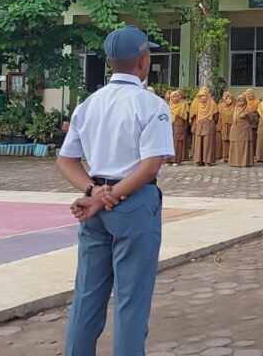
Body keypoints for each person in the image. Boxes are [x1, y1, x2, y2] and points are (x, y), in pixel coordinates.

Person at [56, 25, 172, 356]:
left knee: (87, 297)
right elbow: (151, 165)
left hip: (95, 207)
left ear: (109, 62)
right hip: (134, 203)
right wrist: (113, 195)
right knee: (131, 301)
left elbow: (65, 161)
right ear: (143, 61)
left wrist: (94, 193)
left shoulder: (88, 104)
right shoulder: (151, 105)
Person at [229, 92, 257, 168]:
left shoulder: (248, 109)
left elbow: (251, 120)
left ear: (245, 101)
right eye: (239, 100)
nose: (240, 102)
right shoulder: (234, 109)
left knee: (244, 145)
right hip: (235, 129)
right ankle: (235, 162)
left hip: (245, 130)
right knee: (235, 145)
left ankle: (245, 162)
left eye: (242, 100)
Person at [190, 87, 217, 166]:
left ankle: (207, 160)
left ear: (207, 96)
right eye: (200, 96)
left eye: (203, 96)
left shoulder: (212, 104)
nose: (201, 98)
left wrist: (210, 122)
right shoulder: (198, 105)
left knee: (208, 143)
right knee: (198, 143)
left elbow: (216, 116)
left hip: (208, 124)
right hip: (199, 124)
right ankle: (198, 160)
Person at [167, 90, 189, 166]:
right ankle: (169, 160)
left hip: (179, 124)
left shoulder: (182, 105)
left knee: (177, 142)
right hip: (170, 125)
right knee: (169, 141)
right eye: (173, 96)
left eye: (176, 96)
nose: (175, 98)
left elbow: (185, 116)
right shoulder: (168, 106)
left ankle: (176, 160)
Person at [217, 92, 235, 164]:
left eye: (230, 98)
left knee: (232, 141)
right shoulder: (222, 107)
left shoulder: (234, 107)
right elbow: (220, 117)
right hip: (224, 126)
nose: (228, 100)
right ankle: (225, 157)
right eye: (227, 98)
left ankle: (232, 157)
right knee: (224, 142)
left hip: (232, 126)